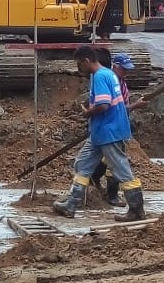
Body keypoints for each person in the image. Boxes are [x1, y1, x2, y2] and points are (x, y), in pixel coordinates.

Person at [53, 45, 146, 222]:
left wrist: (87, 113)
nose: (78, 68)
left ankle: (136, 210)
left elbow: (104, 104)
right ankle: (71, 204)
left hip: (108, 131)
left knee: (122, 170)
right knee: (82, 164)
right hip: (100, 133)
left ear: (86, 61)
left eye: (79, 64)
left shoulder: (100, 77)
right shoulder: (108, 73)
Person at [90, 53, 147, 206]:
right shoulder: (110, 80)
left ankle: (93, 178)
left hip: (115, 126)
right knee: (115, 163)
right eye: (124, 69)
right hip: (112, 127)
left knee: (107, 158)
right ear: (115, 66)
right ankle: (113, 196)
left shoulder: (119, 81)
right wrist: (135, 105)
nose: (126, 72)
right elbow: (115, 108)